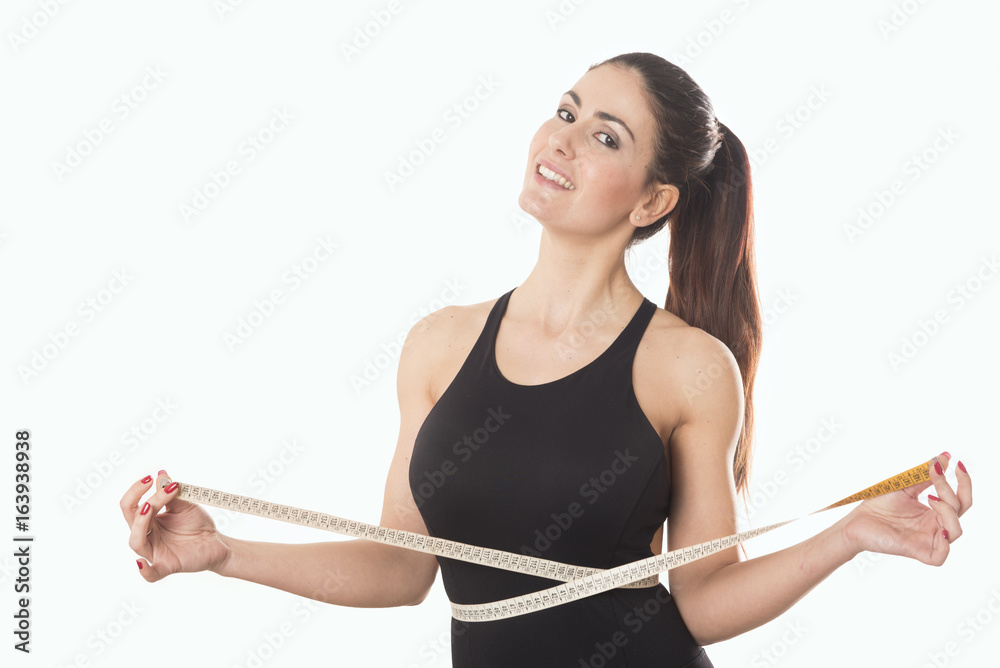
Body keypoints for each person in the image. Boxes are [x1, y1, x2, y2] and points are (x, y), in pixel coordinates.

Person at [120, 52, 973, 667]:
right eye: (565, 112)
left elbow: (707, 598)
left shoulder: (687, 367)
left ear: (654, 199)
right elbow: (400, 566)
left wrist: (852, 534)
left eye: (605, 137)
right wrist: (225, 553)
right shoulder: (438, 344)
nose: (562, 141)